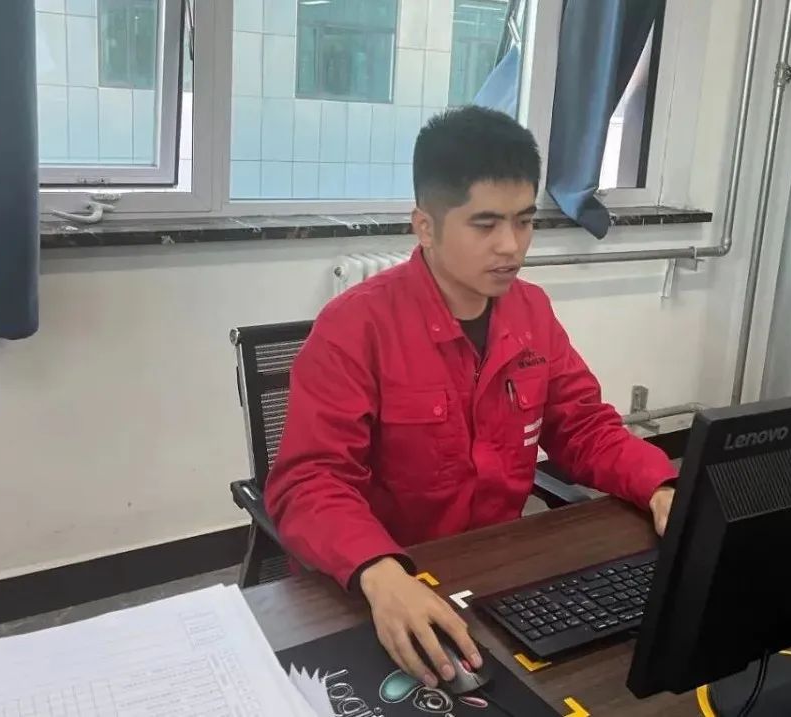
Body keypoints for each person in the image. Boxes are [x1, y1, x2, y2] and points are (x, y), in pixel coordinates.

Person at [265, 106, 677, 688]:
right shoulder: (354, 329)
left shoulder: (531, 313)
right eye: (485, 225)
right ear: (425, 226)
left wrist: (662, 486)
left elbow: (582, 425)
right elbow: (310, 483)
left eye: (524, 221)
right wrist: (381, 573)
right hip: (380, 579)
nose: (511, 246)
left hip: (493, 575)